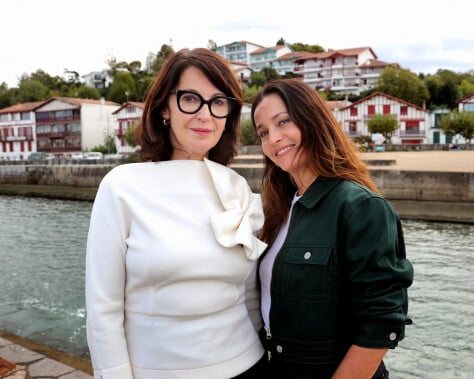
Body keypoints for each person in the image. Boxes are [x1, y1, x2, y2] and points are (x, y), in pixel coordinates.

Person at [85, 48, 268, 379]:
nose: (205, 114)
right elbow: (103, 310)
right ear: (164, 107)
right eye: (190, 99)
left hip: (248, 365)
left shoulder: (238, 186)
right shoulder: (122, 187)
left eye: (218, 102)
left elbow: (249, 295)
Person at [251, 79, 414, 379]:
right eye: (263, 132)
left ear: (311, 119)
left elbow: (381, 323)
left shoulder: (361, 207)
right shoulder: (277, 210)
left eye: (282, 122)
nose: (273, 138)